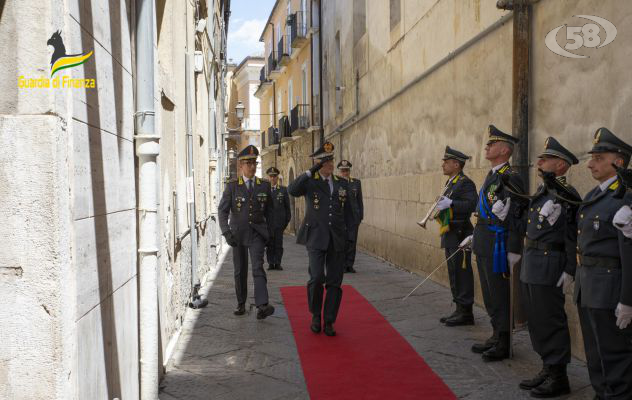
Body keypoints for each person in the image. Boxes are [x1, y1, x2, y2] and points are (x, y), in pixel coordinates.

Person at [519, 137, 579, 397]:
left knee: (551, 320)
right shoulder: (544, 191)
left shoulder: (567, 195)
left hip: (549, 264)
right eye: (540, 158)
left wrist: (569, 269)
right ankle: (547, 365)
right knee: (536, 320)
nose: (539, 162)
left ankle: (559, 376)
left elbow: (572, 235)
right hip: (532, 262)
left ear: (562, 165)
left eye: (546, 159)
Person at [574, 128, 632, 399]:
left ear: (618, 162)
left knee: (615, 355)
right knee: (595, 352)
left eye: (598, 157)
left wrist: (628, 299)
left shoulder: (626, 196)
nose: (590, 164)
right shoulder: (592, 196)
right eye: (592, 158)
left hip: (610, 287)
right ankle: (601, 393)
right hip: (589, 285)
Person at [468, 125, 525, 362]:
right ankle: (495, 333)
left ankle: (504, 341)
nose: (487, 147)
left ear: (503, 149)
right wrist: (474, 235)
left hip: (499, 244)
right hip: (484, 239)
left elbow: (518, 214)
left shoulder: (512, 177)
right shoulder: (492, 175)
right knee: (489, 292)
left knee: (499, 293)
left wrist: (514, 248)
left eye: (492, 144)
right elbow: (487, 210)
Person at [288, 141, 354, 336]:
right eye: (325, 161)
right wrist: (311, 171)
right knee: (316, 278)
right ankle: (316, 314)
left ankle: (330, 320)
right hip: (316, 237)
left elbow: (350, 213)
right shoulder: (310, 182)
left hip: (337, 239)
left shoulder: (342, 183)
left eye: (331, 160)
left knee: (334, 281)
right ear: (318, 163)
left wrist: (350, 237)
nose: (330, 164)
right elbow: (292, 190)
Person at [218, 145, 275, 319]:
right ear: (241, 166)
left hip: (257, 233)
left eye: (254, 163)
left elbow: (270, 213)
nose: (252, 167)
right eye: (248, 163)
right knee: (240, 270)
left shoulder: (264, 186)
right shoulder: (233, 186)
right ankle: (241, 303)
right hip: (238, 235)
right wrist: (227, 232)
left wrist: (270, 235)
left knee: (258, 267)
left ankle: (262, 305)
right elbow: (223, 211)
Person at [434, 146, 477, 327]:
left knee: (462, 272)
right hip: (451, 232)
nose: (443, 164)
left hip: (460, 232)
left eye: (446, 162)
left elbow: (471, 204)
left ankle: (466, 312)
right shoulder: (452, 182)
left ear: (456, 164)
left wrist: (450, 203)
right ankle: (459, 308)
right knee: (454, 272)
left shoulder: (465, 182)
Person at [337, 160, 363, 273]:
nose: (345, 173)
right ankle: (342, 265)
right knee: (343, 241)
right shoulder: (336, 183)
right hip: (341, 217)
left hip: (353, 217)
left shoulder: (356, 183)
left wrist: (360, 216)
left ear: (349, 171)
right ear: (339, 172)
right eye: (343, 171)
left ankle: (350, 264)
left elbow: (359, 201)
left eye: (346, 170)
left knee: (352, 241)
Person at [265, 166, 291, 271]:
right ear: (268, 177)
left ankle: (278, 262)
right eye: (271, 176)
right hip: (268, 224)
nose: (272, 178)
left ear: (277, 177)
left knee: (278, 244)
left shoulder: (283, 190)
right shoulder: (265, 190)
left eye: (274, 176)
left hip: (279, 224)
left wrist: (284, 223)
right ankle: (271, 263)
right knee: (270, 244)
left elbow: (287, 209)